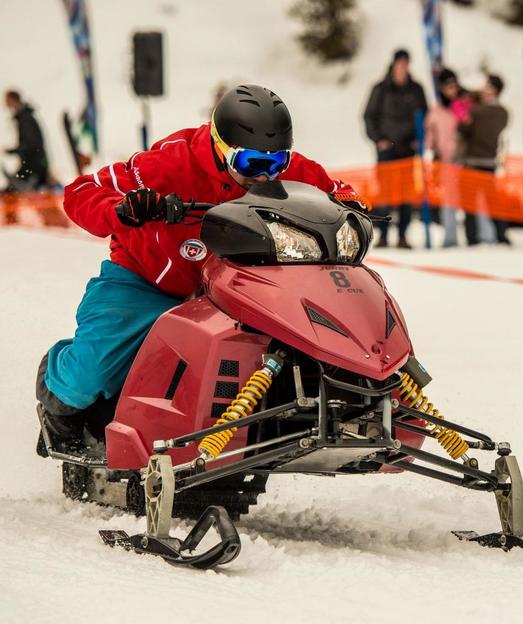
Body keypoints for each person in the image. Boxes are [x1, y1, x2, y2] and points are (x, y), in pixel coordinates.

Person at [36, 84, 366, 448]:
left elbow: (338, 191)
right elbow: (82, 191)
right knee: (88, 375)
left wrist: (351, 207)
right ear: (222, 148)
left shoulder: (286, 170)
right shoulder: (169, 163)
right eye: (251, 164)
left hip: (239, 292)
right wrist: (125, 208)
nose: (265, 177)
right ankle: (59, 389)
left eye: (276, 164)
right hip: (148, 281)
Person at [364, 49, 428, 248]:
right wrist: (378, 139)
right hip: (386, 149)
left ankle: (402, 235)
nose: (402, 67)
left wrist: (419, 140)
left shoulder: (416, 89)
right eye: (399, 63)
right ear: (394, 64)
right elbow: (369, 115)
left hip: (408, 149)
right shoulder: (380, 89)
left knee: (406, 195)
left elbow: (425, 116)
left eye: (405, 63)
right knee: (384, 194)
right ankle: (383, 234)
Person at [459, 74, 510, 245]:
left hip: (476, 161)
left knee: (474, 204)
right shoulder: (502, 113)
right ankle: (500, 235)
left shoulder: (483, 112)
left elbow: (467, 128)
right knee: (490, 202)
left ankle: (474, 238)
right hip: (488, 161)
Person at [424, 68, 463, 247]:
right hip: (445, 162)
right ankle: (451, 237)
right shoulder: (436, 111)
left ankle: (478, 236)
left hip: (463, 160)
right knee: (449, 200)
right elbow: (429, 136)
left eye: (454, 86)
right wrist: (427, 146)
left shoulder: (461, 106)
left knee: (468, 199)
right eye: (448, 86)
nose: (451, 90)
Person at [3, 90, 48, 191]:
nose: (4, 103)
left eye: (6, 100)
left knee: (14, 191)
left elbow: (31, 144)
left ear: (12, 100)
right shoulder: (23, 117)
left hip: (34, 166)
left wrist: (12, 151)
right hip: (32, 164)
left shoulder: (25, 118)